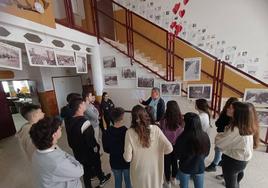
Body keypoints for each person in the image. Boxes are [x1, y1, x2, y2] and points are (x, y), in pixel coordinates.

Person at [123, 105, 173, 188]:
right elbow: (169, 148)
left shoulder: (129, 132)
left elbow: (127, 159)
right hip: (155, 170)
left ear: (132, 118)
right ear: (146, 116)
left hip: (139, 171)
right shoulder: (156, 129)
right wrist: (158, 151)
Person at [29, 117, 84, 188]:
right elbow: (80, 171)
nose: (61, 128)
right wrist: (69, 158)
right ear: (54, 135)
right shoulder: (58, 163)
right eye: (59, 128)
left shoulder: (37, 153)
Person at [68, 98, 111, 188]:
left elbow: (70, 142)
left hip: (78, 153)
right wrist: (96, 148)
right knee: (97, 164)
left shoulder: (69, 121)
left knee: (85, 170)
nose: (85, 105)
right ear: (79, 107)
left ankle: (88, 186)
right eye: (84, 104)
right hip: (89, 153)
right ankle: (102, 179)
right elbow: (91, 141)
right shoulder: (85, 122)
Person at [215, 102, 259, 188]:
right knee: (238, 175)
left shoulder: (235, 129)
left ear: (238, 113)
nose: (227, 109)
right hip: (243, 159)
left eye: (231, 108)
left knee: (230, 183)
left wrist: (220, 134)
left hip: (233, 160)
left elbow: (219, 143)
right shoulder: (247, 125)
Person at [174, 112, 210, 188]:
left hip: (185, 167)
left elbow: (177, 155)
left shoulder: (182, 138)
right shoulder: (205, 135)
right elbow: (207, 152)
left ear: (187, 123)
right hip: (199, 166)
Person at [206, 97, 238, 174]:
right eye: (228, 107)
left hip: (227, 135)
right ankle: (219, 161)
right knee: (219, 149)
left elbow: (219, 124)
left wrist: (223, 126)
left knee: (221, 149)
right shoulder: (224, 113)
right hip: (222, 133)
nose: (229, 109)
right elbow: (217, 123)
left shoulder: (235, 119)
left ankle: (214, 165)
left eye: (231, 108)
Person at [103, 107, 131, 188]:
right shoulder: (127, 132)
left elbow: (106, 149)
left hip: (114, 161)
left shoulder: (106, 133)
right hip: (126, 162)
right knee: (128, 182)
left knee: (117, 183)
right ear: (122, 118)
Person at [159, 101, 184, 188]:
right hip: (177, 145)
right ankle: (174, 178)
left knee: (166, 163)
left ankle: (168, 181)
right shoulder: (181, 120)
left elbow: (161, 131)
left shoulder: (164, 119)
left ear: (168, 108)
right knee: (175, 162)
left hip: (166, 145)